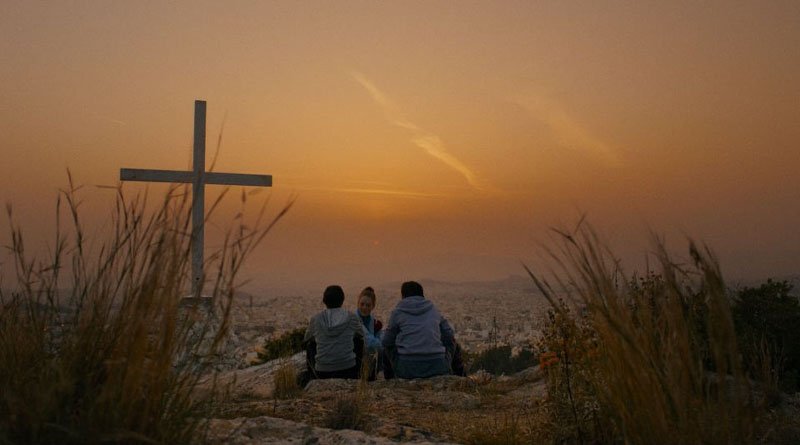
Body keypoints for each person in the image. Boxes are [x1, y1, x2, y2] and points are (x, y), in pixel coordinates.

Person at [382, 281, 461, 379]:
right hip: (437, 366)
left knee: (387, 348)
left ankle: (391, 380)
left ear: (403, 296)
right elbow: (449, 335)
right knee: (453, 343)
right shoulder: (433, 309)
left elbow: (386, 341)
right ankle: (459, 376)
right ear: (422, 295)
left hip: (407, 369)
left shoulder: (398, 312)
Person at [303, 285, 365, 380]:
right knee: (358, 340)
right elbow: (361, 334)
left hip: (322, 371)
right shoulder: (351, 317)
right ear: (342, 300)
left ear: (324, 301)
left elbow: (307, 338)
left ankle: (312, 377)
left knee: (310, 344)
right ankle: (360, 375)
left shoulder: (316, 319)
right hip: (349, 369)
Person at [356, 286, 383, 380]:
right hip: (356, 364)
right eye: (362, 304)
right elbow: (374, 344)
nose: (364, 307)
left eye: (368, 305)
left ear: (373, 306)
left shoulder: (376, 324)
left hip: (371, 366)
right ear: (358, 303)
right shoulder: (353, 320)